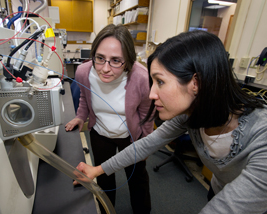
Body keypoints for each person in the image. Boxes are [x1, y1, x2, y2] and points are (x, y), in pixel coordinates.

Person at [73, 30, 267, 214]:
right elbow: (145, 145)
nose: (151, 94)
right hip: (219, 189)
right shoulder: (190, 115)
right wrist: (96, 170)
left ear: (195, 83)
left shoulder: (262, 136)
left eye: (160, 82)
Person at [65, 24, 153, 214]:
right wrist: (81, 116)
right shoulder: (83, 72)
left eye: (115, 60)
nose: (105, 69)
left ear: (128, 59)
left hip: (132, 138)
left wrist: (147, 142)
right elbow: (84, 97)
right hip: (101, 134)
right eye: (100, 58)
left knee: (137, 179)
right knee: (104, 179)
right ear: (93, 54)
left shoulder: (141, 77)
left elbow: (148, 112)